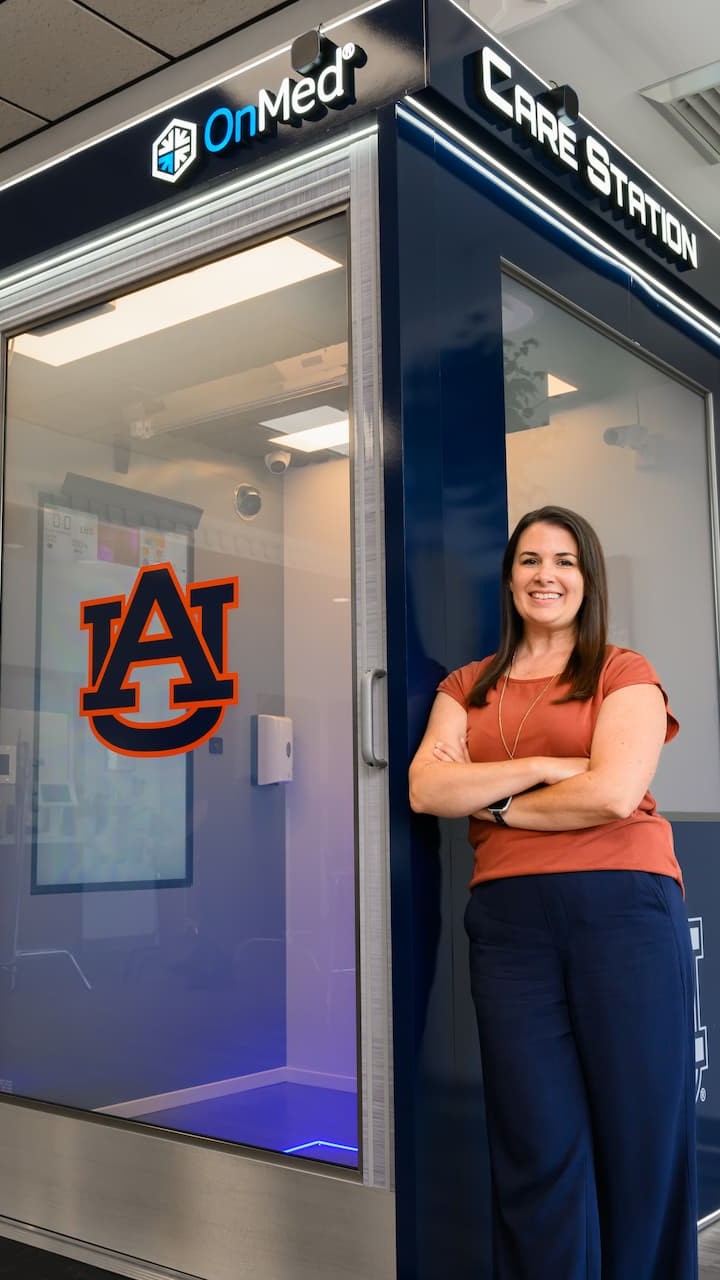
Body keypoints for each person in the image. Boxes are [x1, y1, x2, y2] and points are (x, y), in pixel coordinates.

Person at [408, 505, 697, 1280]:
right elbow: (428, 787)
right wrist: (543, 768)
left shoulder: (622, 671)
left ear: (587, 579)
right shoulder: (467, 685)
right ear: (509, 580)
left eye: (565, 561)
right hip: (509, 926)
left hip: (625, 910)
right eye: (531, 561)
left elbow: (611, 796)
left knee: (640, 1137)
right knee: (535, 1138)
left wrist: (495, 804)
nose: (547, 575)